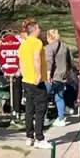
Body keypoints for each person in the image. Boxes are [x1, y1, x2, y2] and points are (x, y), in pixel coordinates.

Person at [18, 19, 51, 149]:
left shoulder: (23, 44)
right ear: (35, 30)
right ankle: (39, 138)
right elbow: (36, 58)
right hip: (36, 81)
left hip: (26, 80)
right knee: (40, 110)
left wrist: (24, 74)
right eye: (38, 28)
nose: (40, 30)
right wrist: (38, 75)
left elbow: (21, 61)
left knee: (29, 110)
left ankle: (29, 136)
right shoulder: (37, 42)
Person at [44, 29, 78, 126]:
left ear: (49, 37)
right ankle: (61, 118)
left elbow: (49, 62)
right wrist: (69, 73)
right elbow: (70, 61)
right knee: (59, 97)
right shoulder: (64, 46)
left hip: (52, 77)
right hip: (63, 77)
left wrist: (48, 75)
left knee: (43, 97)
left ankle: (43, 118)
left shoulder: (49, 48)